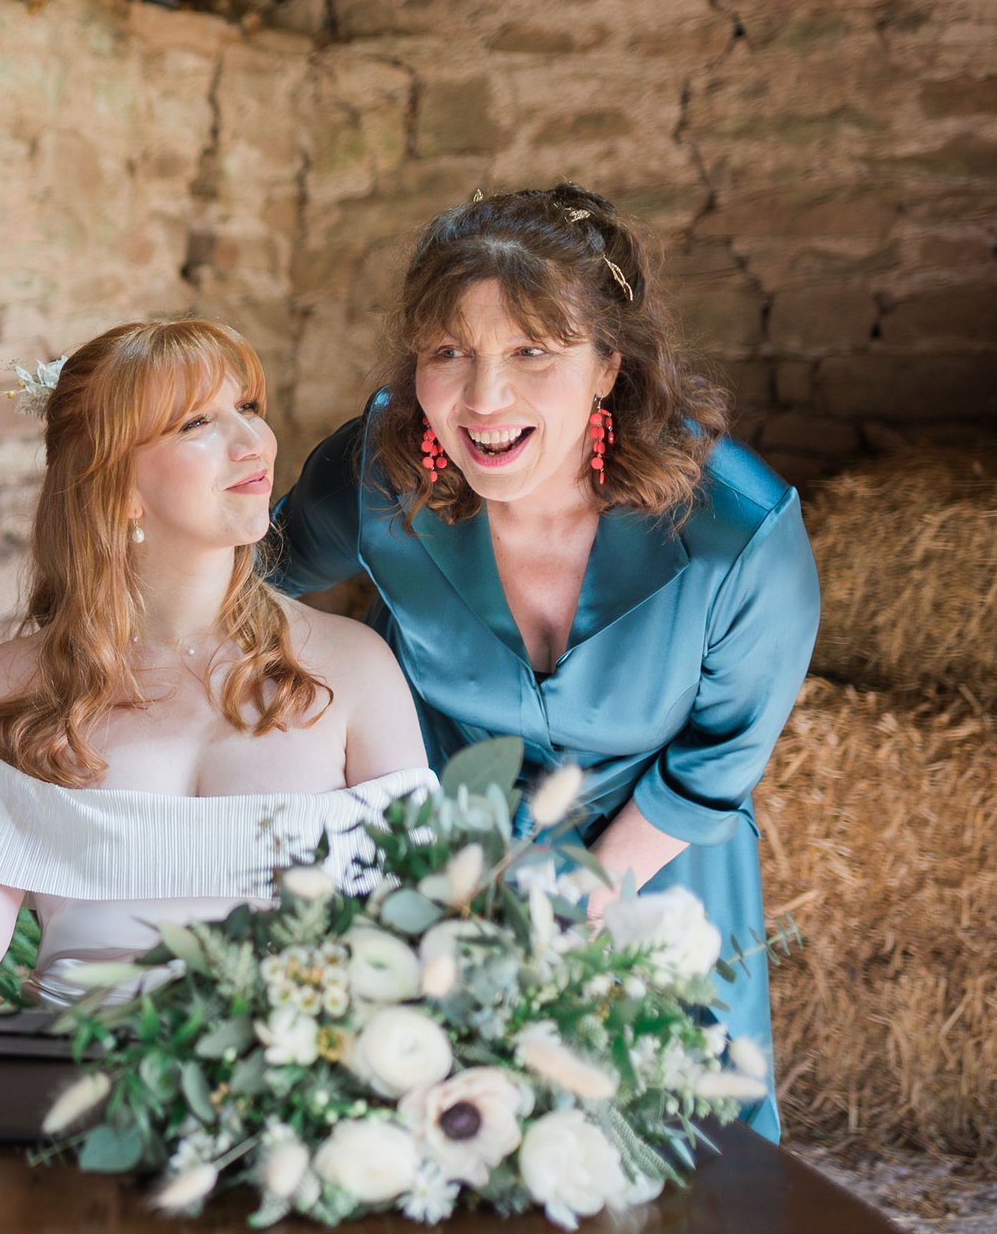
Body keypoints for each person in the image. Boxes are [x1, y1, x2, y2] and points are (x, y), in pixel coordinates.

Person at [270, 185, 818, 1138]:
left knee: (673, 1164)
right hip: (441, 869)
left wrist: (587, 898)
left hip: (659, 870)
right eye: (450, 352)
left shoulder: (740, 526)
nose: (483, 399)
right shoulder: (382, 470)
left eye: (533, 350)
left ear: (609, 363)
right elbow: (250, 580)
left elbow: (720, 757)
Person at [0, 319, 432, 1013]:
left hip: (303, 1085)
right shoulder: (13, 687)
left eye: (247, 408)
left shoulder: (354, 668)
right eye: (199, 421)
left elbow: (430, 904)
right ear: (119, 485)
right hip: (70, 1074)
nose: (254, 441)